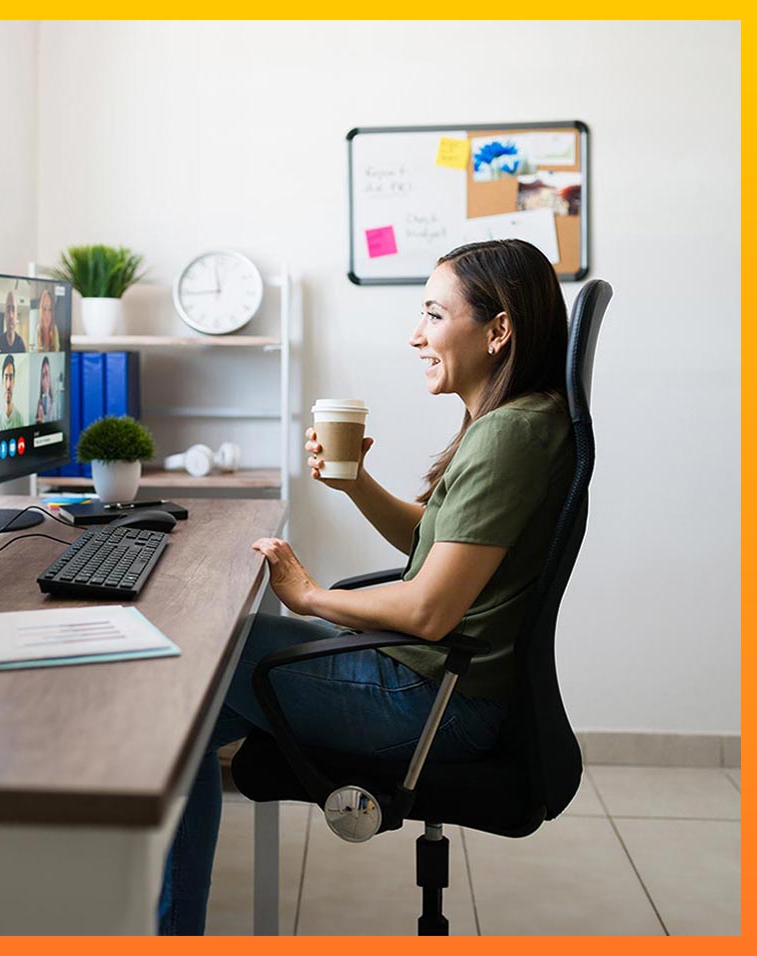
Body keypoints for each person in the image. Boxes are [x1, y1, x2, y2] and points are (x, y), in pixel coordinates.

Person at [156, 239, 574, 935]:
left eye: (435, 315)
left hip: (430, 699)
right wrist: (355, 483)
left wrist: (311, 595)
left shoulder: (510, 436)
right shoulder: (514, 422)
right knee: (182, 725)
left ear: (499, 331)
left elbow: (430, 608)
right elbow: (432, 551)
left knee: (200, 650)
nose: (417, 335)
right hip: (436, 682)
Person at [0, 354, 24, 431]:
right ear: (2, 382)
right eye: (6, 377)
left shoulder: (20, 420)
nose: (8, 385)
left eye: (11, 377)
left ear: (14, 382)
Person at [35, 356, 56, 423]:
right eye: (43, 376)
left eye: (47, 375)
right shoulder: (39, 404)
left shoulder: (54, 405)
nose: (45, 380)